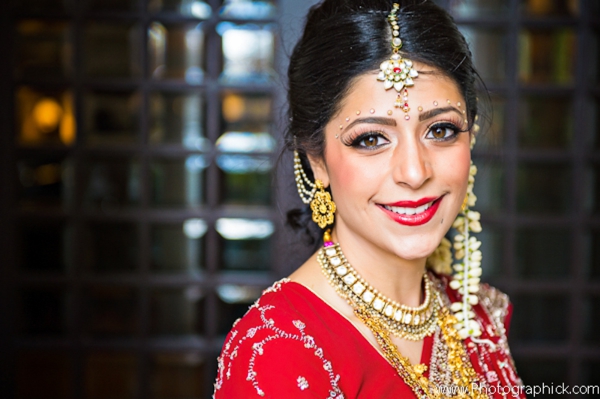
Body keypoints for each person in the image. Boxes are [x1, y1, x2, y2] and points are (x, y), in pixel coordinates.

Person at [213, 0, 524, 397]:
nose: (414, 173)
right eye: (371, 139)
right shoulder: (280, 351)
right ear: (317, 159)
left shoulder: (479, 315)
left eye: (442, 130)